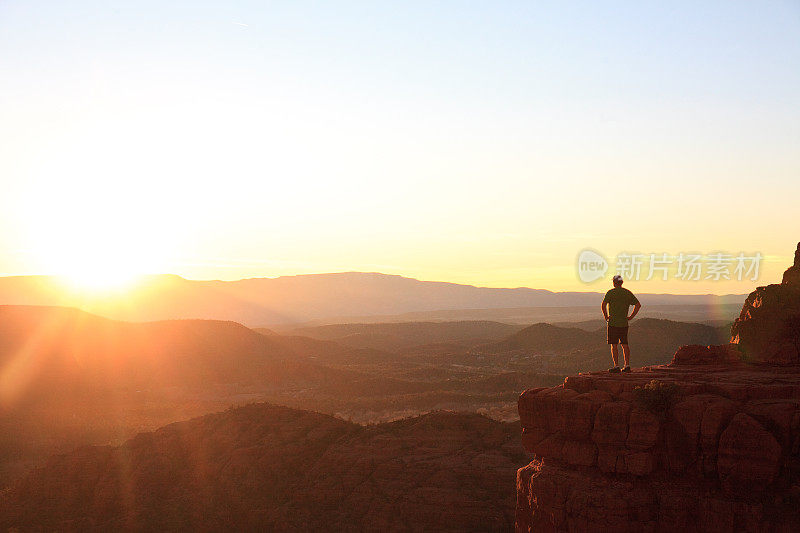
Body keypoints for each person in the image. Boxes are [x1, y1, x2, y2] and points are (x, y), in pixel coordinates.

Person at [601, 274, 641, 373]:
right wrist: (631, 317)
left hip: (613, 323)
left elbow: (603, 304)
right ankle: (627, 365)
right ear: (622, 282)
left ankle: (616, 366)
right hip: (624, 323)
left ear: (614, 282)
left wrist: (606, 316)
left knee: (614, 345)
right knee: (625, 344)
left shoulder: (610, 292)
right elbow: (638, 305)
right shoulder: (627, 293)